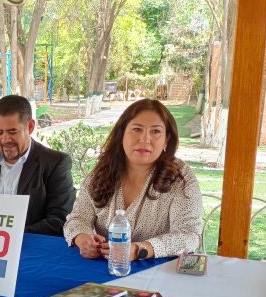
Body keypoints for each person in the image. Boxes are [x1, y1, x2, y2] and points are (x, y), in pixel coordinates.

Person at [63, 98, 202, 260]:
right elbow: (77, 218)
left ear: (167, 139)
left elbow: (189, 235)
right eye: (136, 129)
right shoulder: (101, 173)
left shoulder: (181, 178)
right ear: (121, 134)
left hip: (158, 272)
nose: (144, 139)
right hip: (106, 270)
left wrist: (139, 250)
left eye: (155, 131)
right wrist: (82, 239)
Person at [0, 95, 75, 236]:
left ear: (30, 127)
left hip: (33, 249)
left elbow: (61, 219)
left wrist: (12, 237)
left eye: (13, 132)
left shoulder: (55, 163)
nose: (5, 139)